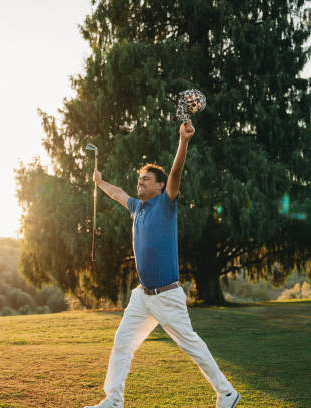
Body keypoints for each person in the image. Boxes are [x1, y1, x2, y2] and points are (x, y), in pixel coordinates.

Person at [84, 121, 240, 408]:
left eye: (146, 179)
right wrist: (100, 182)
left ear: (159, 185)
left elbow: (177, 172)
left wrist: (184, 140)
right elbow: (118, 192)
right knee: (122, 343)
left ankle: (227, 393)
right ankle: (113, 401)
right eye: (139, 178)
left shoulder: (166, 203)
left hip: (167, 296)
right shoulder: (136, 207)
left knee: (190, 344)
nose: (140, 182)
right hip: (143, 296)